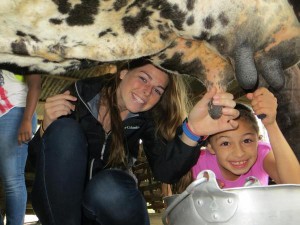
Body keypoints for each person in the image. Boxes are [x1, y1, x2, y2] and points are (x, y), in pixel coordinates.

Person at [29, 57, 240, 225]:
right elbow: (37, 162)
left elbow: (165, 171)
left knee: (109, 187)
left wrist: (193, 132)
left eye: (158, 89)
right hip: (61, 210)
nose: (147, 91)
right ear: (123, 72)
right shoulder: (78, 95)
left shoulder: (147, 118)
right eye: (143, 78)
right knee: (65, 131)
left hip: (105, 205)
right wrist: (47, 126)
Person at [192, 87, 300, 188]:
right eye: (225, 143)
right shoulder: (197, 161)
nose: (239, 153)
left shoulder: (262, 154)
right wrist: (197, 190)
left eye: (247, 141)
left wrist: (271, 124)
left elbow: (296, 186)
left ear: (257, 139)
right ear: (210, 147)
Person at [0, 70, 41, 225]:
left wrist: (26, 119)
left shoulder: (21, 49)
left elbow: (35, 84)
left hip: (14, 111)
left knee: (12, 180)